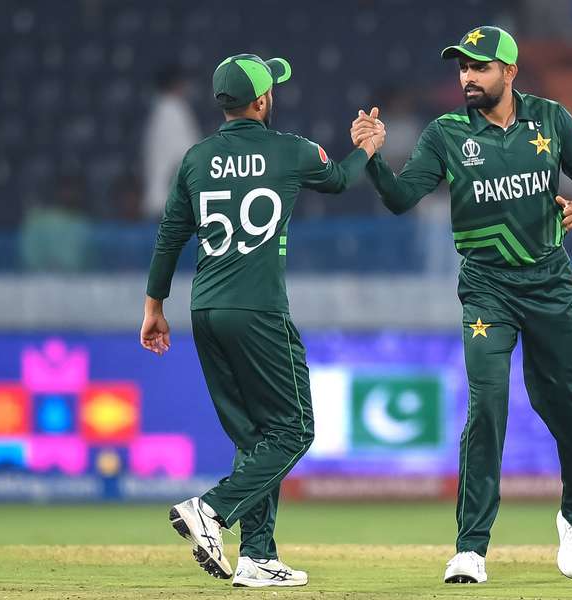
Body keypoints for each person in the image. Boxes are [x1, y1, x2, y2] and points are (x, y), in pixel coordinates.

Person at [351, 26, 572, 582]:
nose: (467, 77)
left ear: (510, 72)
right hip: (485, 289)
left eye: (479, 67)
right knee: (487, 406)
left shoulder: (551, 119)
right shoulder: (446, 133)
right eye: (462, 68)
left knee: (569, 408)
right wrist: (373, 159)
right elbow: (401, 199)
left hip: (550, 284)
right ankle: (470, 548)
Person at [141, 53, 383, 588]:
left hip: (205, 309)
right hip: (259, 311)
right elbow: (341, 180)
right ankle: (210, 511)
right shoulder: (290, 151)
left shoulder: (196, 158)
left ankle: (257, 556)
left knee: (256, 438)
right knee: (296, 429)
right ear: (262, 100)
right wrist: (366, 149)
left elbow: (168, 236)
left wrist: (155, 306)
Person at [141, 65, 202, 220]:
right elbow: (187, 158)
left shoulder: (160, 109)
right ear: (176, 83)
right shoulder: (173, 110)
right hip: (170, 206)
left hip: (161, 202)